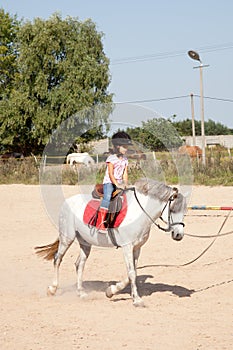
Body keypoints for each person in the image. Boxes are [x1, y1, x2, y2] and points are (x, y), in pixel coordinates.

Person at [97, 131, 132, 231]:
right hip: (109, 182)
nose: (126, 149)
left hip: (120, 183)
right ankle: (101, 222)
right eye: (124, 147)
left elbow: (125, 173)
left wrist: (125, 183)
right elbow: (110, 174)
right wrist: (116, 184)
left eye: (127, 147)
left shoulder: (125, 159)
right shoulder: (111, 159)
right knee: (107, 197)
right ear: (117, 146)